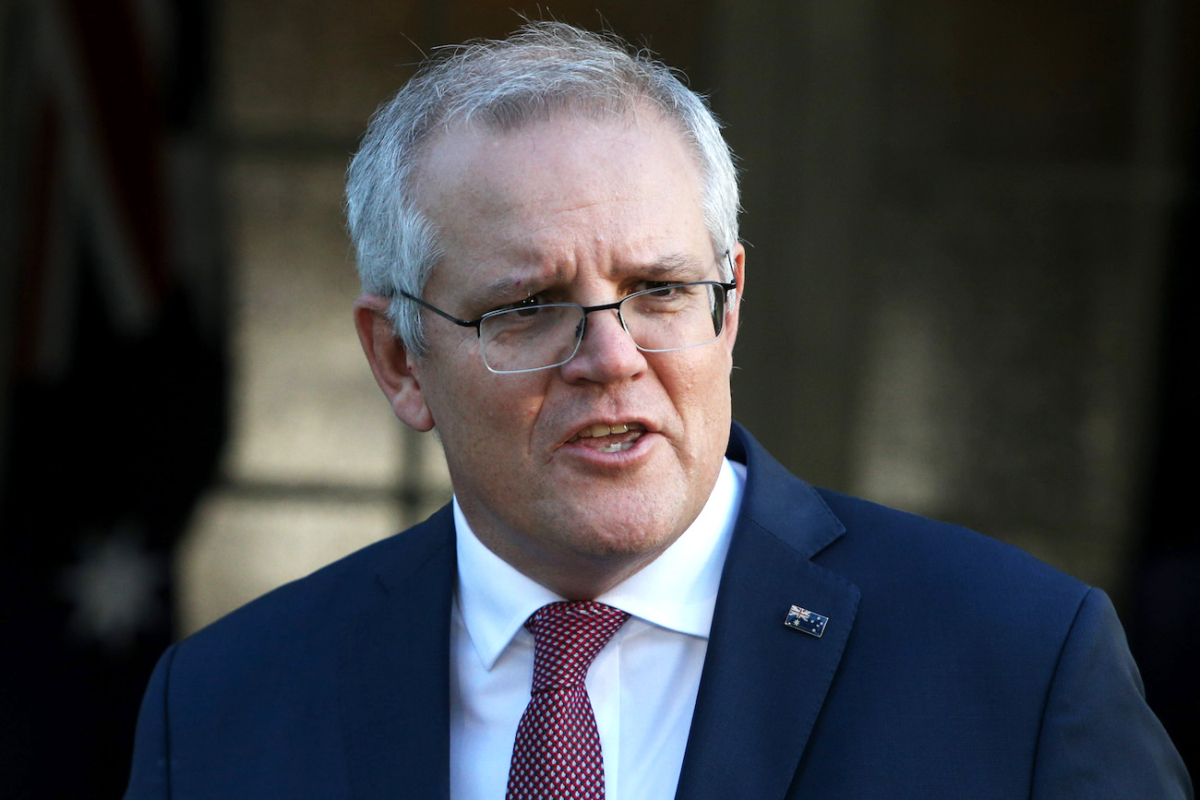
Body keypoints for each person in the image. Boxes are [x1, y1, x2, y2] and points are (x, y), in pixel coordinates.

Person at [124, 22, 1191, 799]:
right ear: (399, 357)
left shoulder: (1020, 660)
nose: (610, 356)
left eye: (661, 290)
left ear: (730, 303)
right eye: (530, 307)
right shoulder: (226, 700)